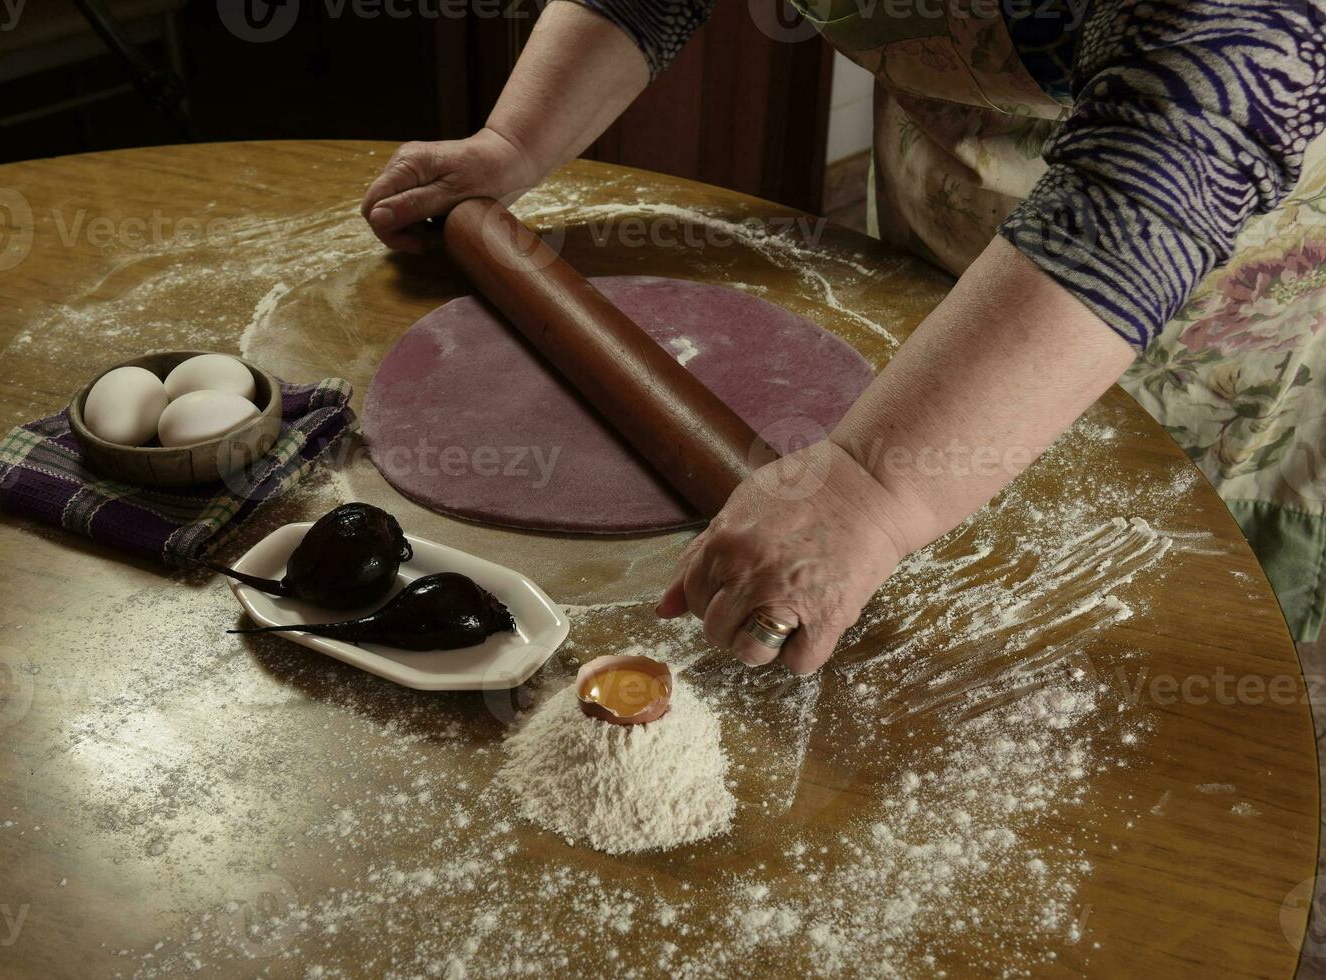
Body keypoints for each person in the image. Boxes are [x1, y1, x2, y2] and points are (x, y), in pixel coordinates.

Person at [361, 0, 1326, 669]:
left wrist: (870, 487)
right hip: (953, 168)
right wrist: (517, 143)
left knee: (1127, 589)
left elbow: (1163, 166)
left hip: (1191, 282)